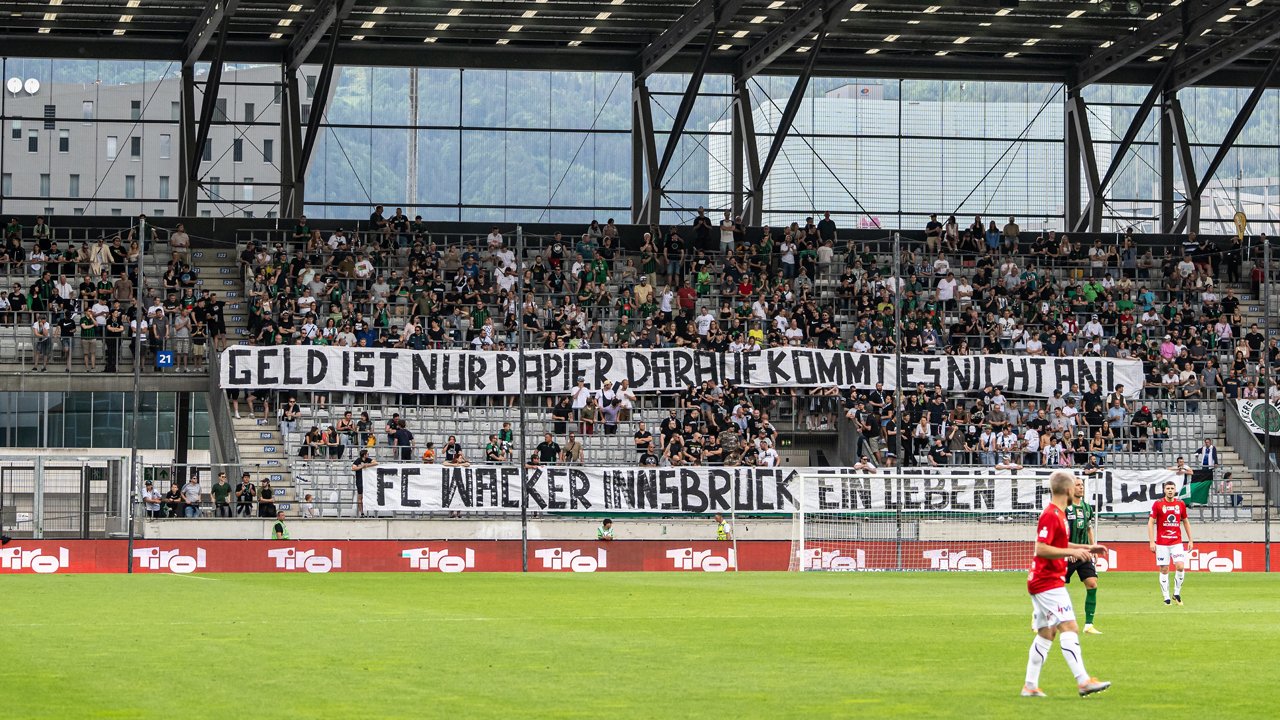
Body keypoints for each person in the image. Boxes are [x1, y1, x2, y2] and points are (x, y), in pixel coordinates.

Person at [1021, 470, 1111, 698]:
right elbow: (1040, 548)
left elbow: (1058, 542)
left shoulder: (1060, 513)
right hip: (1047, 582)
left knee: (1046, 633)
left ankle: (1030, 686)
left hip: (1043, 581)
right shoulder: (1051, 514)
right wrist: (1071, 552)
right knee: (1069, 627)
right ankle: (1083, 681)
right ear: (1069, 490)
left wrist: (1088, 548)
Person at [1064, 477, 1101, 635]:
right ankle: (1039, 616)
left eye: (1082, 485)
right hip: (1067, 554)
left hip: (1084, 555)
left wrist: (1093, 548)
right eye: (1078, 485)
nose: (1081, 488)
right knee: (1054, 588)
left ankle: (1088, 625)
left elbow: (1088, 529)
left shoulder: (1087, 508)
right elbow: (1060, 532)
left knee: (1092, 584)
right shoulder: (1064, 507)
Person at [1148, 480, 1193, 606]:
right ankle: (1166, 597)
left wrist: (1190, 539)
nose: (1170, 490)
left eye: (1172, 488)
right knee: (1164, 569)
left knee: (1180, 566)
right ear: (1164, 490)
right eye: (1168, 488)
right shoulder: (1158, 504)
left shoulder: (1180, 504)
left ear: (1175, 490)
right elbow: (1151, 522)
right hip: (1162, 543)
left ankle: (1176, 593)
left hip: (1176, 542)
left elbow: (1185, 521)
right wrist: (1152, 542)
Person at [352, 449, 377, 517]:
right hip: (360, 480)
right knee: (360, 496)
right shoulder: (358, 460)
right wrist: (361, 467)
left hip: (367, 480)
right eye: (367, 454)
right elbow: (353, 468)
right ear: (364, 454)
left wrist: (366, 465)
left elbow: (375, 463)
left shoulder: (368, 460)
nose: (368, 455)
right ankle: (361, 512)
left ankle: (368, 511)